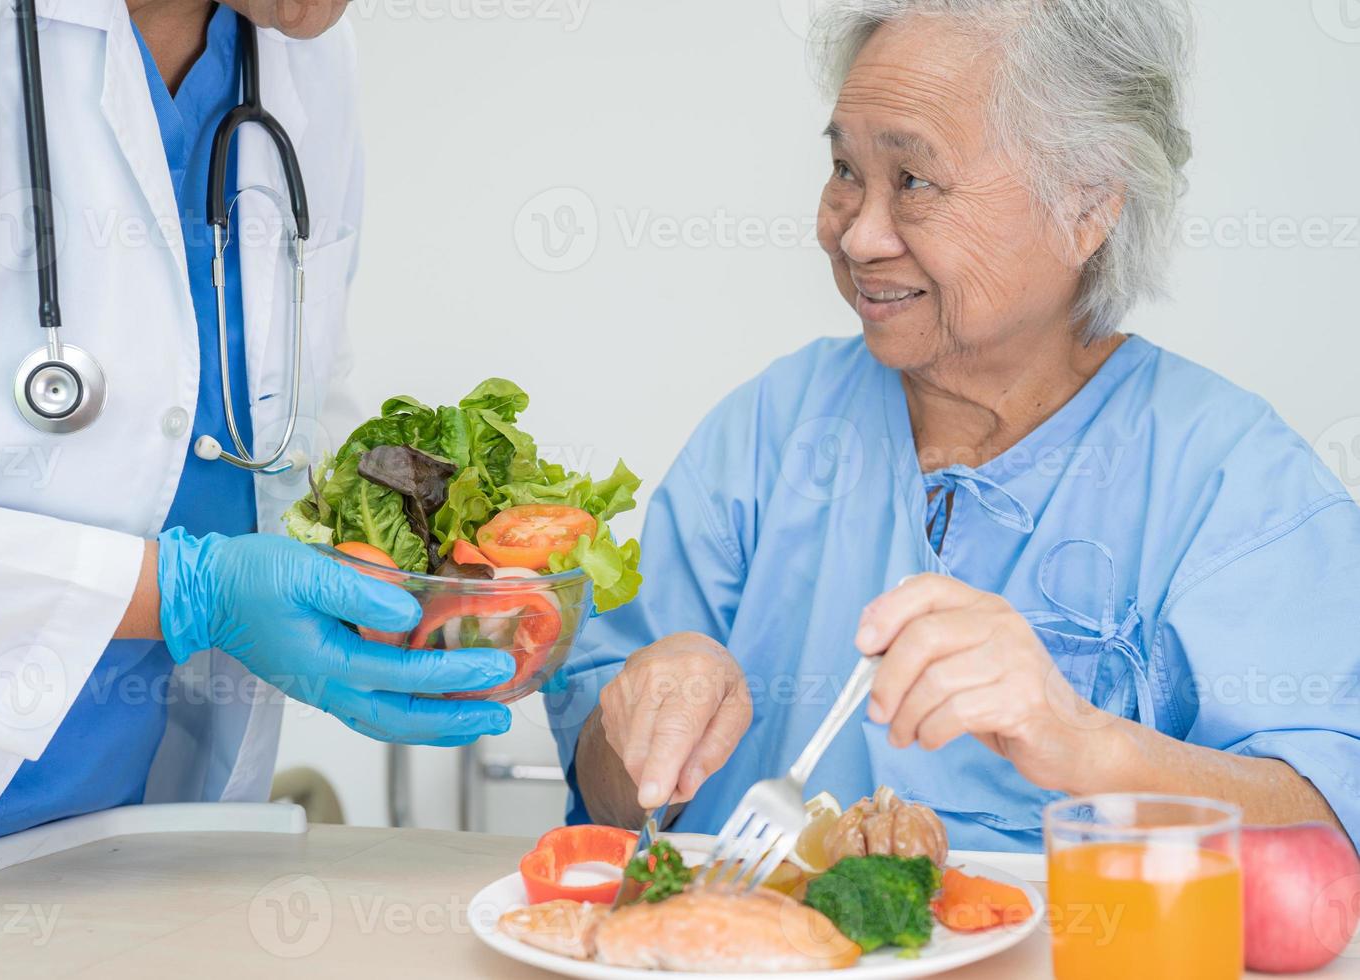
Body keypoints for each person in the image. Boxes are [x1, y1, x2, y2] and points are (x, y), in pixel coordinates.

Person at [549, 0, 1360, 854]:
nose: (857, 234)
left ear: (1086, 207)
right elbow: (608, 799)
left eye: (914, 181)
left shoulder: (1235, 482)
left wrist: (1091, 745)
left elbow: (1330, 830)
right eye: (845, 170)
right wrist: (637, 722)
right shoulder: (768, 432)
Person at [0, 0, 511, 870]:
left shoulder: (305, 54)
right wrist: (188, 592)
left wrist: (414, 563)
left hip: (143, 837)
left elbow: (298, 395)